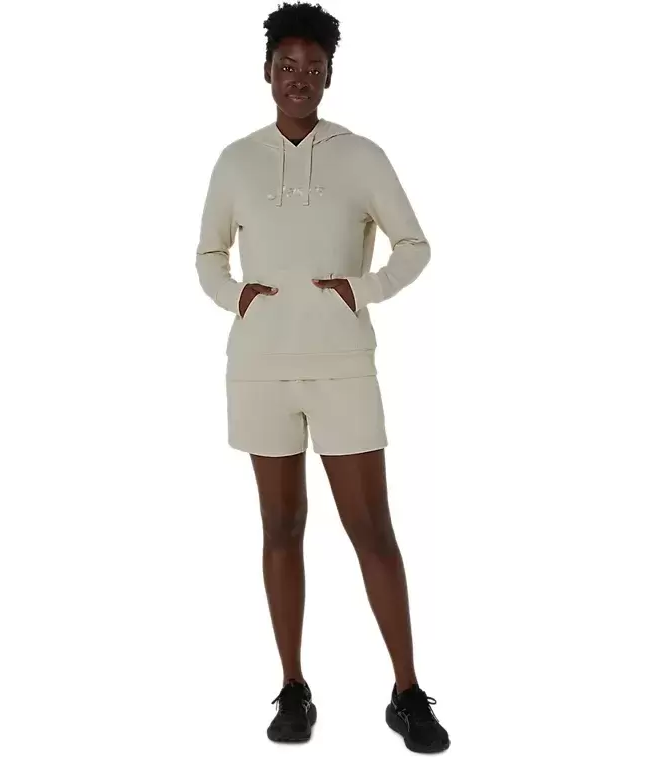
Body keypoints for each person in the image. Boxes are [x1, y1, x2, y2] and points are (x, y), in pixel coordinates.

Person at [194, 2, 450, 754]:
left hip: (343, 370)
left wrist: (361, 290)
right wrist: (235, 297)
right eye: (287, 66)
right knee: (281, 528)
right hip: (259, 373)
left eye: (313, 68)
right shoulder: (236, 161)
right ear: (266, 72)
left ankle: (407, 692)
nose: (298, 79)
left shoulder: (361, 156)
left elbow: (414, 245)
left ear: (330, 75)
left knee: (372, 529)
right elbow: (207, 255)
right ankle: (293, 688)